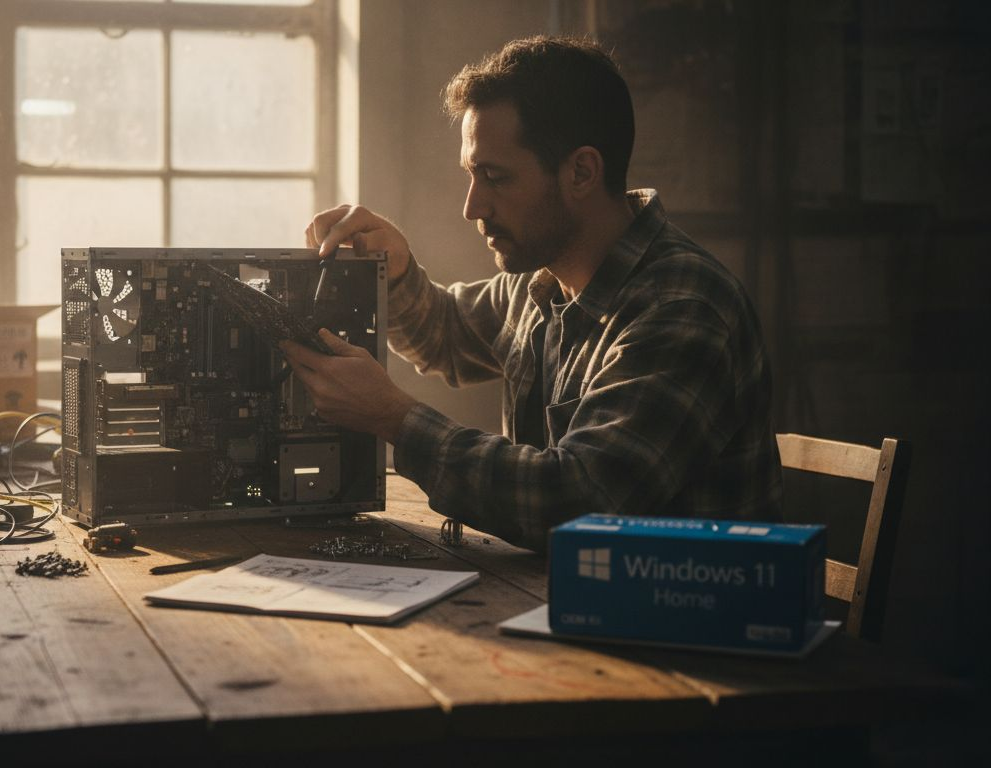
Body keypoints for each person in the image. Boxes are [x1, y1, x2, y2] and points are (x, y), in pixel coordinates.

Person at [279, 35, 782, 552]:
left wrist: (395, 419)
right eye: (471, 176)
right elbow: (447, 334)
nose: (472, 207)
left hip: (680, 626)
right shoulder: (541, 280)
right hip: (563, 601)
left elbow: (577, 500)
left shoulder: (682, 310)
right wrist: (399, 273)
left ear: (581, 172)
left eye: (494, 177)